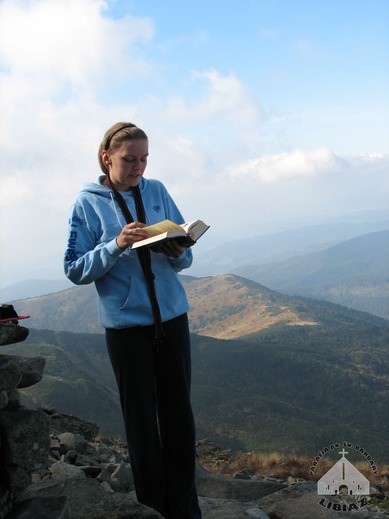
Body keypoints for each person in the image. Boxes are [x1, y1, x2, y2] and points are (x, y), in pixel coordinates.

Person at [64, 122, 202, 519]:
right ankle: (151, 507)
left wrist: (178, 248)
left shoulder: (156, 190)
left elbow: (185, 257)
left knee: (178, 415)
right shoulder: (86, 203)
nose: (138, 166)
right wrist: (116, 244)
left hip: (172, 319)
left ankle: (185, 506)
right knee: (141, 421)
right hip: (126, 329)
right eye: (130, 159)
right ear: (107, 157)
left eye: (144, 159)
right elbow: (74, 268)